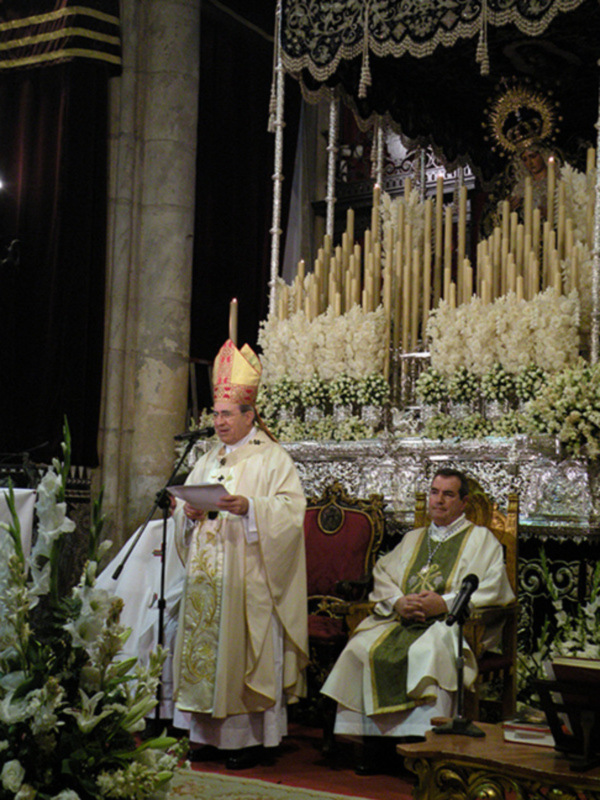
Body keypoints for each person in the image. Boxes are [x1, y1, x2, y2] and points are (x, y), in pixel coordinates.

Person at [171, 338, 309, 770]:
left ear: (250, 416)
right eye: (216, 413)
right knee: (205, 648)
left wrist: (251, 508)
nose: (219, 421)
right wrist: (189, 512)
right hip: (208, 579)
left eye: (227, 414)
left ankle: (246, 739)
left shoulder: (272, 458)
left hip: (249, 577)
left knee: (243, 653)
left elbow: (291, 512)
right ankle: (207, 736)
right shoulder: (206, 457)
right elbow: (183, 505)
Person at [321, 468, 514, 772]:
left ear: (463, 502)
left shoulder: (482, 540)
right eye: (434, 492)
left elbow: (493, 587)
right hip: (402, 621)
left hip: (449, 624)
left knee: (428, 653)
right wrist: (399, 601)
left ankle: (426, 745)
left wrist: (445, 604)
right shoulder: (413, 538)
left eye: (448, 494)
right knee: (360, 647)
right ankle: (374, 744)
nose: (439, 501)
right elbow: (383, 574)